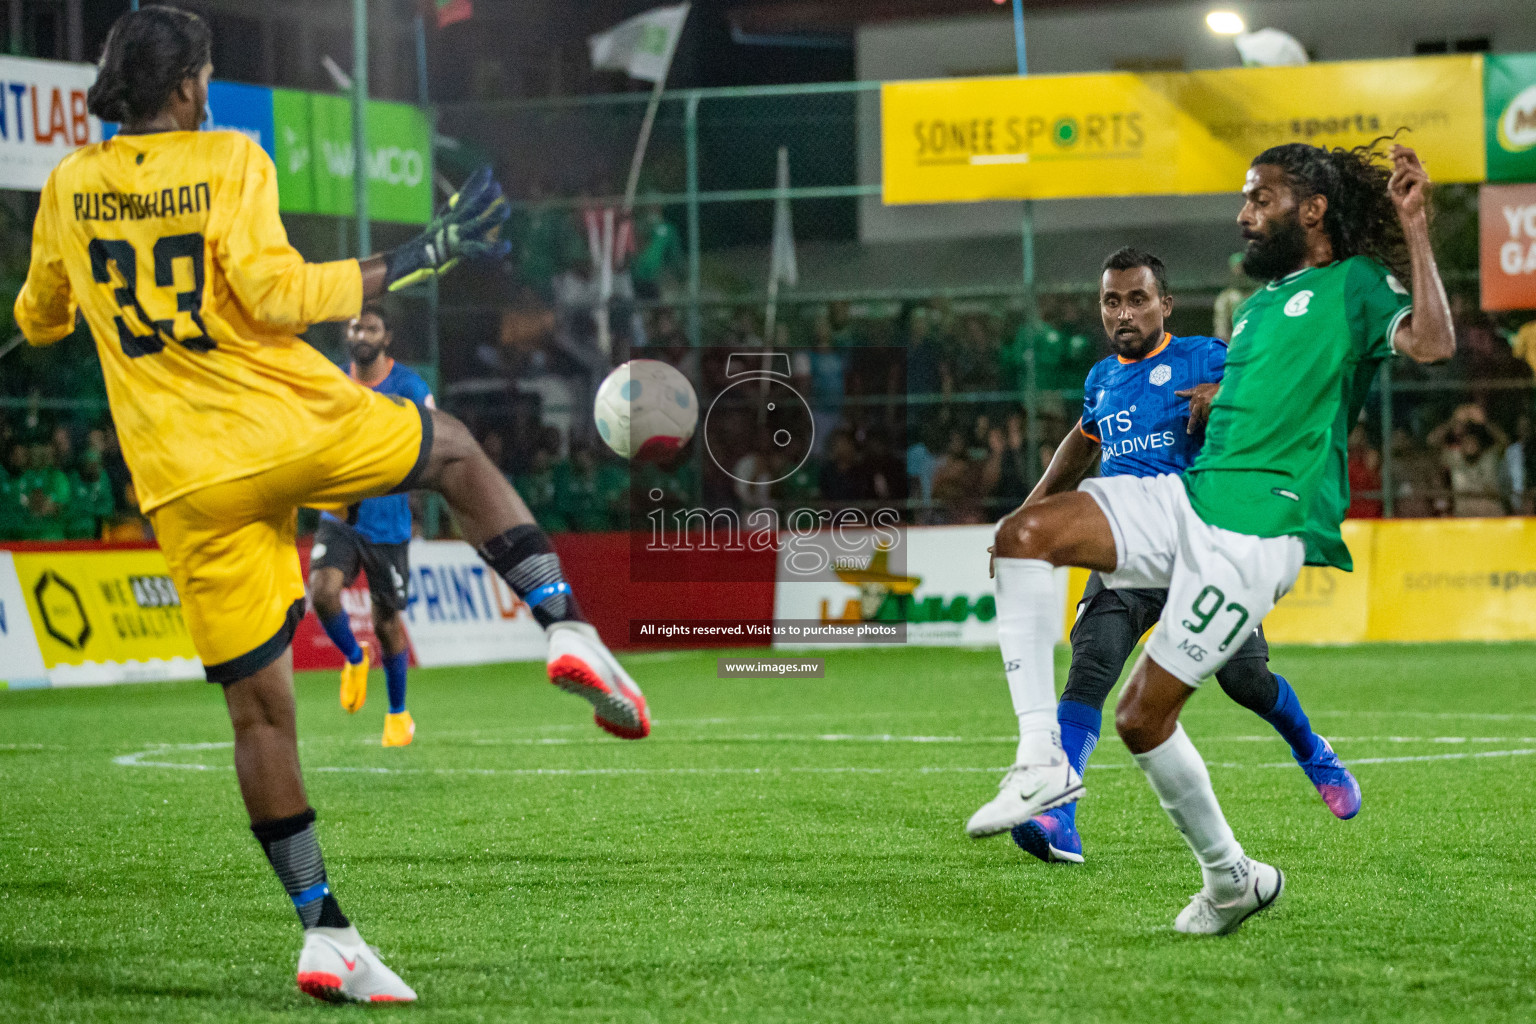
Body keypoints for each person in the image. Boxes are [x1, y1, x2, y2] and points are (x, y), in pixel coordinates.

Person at [15, 8, 650, 1003]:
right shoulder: (227, 157)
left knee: (260, 717)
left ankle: (325, 932)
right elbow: (272, 296)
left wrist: (50, 300)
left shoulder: (67, 186)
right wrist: (413, 258)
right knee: (454, 454)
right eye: (207, 74)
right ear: (186, 88)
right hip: (278, 428)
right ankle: (567, 627)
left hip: (181, 482)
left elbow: (41, 314)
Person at [967, 139, 1453, 935]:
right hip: (1189, 501)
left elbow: (1432, 345)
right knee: (1021, 534)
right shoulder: (1258, 307)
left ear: (1313, 209)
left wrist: (1417, 230)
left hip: (1261, 528)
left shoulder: (1357, 285)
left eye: (1259, 199)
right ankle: (1041, 763)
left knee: (1147, 715)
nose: (1243, 214)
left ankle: (1233, 874)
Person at [1001, 247, 1358, 867]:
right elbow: (1080, 447)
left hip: (1203, 546)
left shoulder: (1205, 356)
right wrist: (1028, 513)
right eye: (1112, 301)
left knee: (1245, 681)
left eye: (1137, 299)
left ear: (1165, 304)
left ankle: (1312, 748)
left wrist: (1225, 393)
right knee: (1093, 663)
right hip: (1129, 546)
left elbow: (1278, 390)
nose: (1123, 313)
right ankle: (1059, 813)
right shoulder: (1101, 379)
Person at [307, 304, 432, 748]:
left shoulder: (411, 387)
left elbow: (431, 443)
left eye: (372, 327)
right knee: (321, 593)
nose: (362, 333)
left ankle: (398, 715)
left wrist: (416, 499)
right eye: (356, 326)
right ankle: (353, 658)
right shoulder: (334, 383)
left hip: (389, 523)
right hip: (340, 514)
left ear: (387, 337)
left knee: (387, 624)